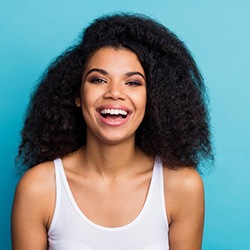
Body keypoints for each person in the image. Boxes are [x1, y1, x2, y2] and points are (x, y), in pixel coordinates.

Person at [12, 13, 213, 250]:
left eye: (133, 82)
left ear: (153, 99)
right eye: (98, 80)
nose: (115, 93)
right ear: (77, 95)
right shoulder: (38, 189)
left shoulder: (182, 187)